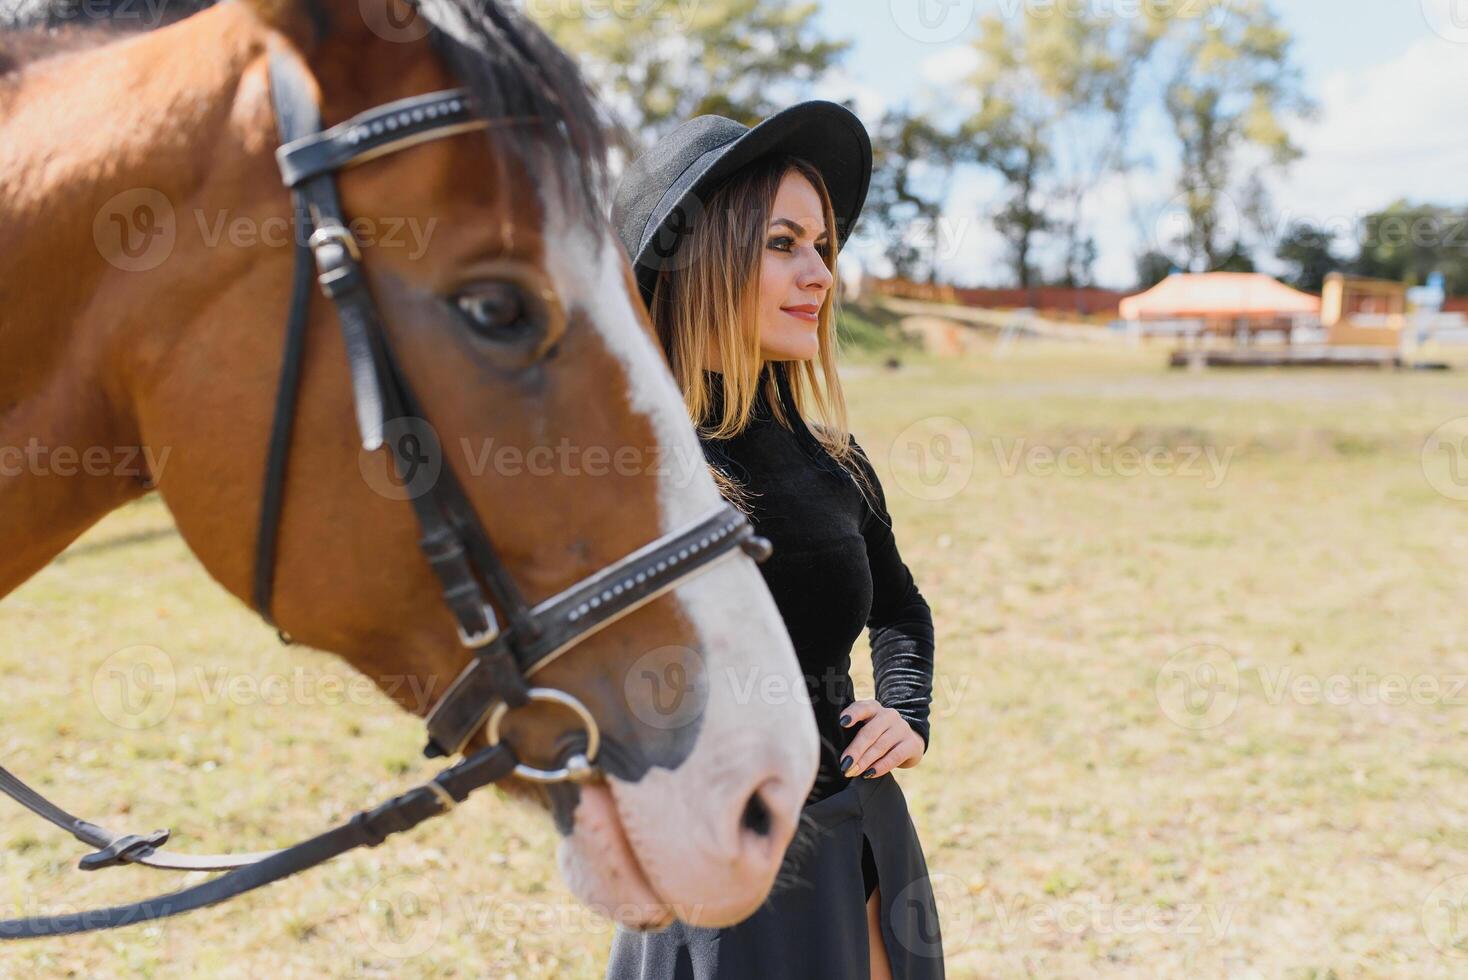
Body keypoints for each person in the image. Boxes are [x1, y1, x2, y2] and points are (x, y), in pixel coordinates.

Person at [605, 102, 945, 979]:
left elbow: (900, 606)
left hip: (864, 837)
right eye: (783, 244)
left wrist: (906, 709)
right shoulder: (634, 469)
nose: (821, 275)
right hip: (727, 872)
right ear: (703, 260)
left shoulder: (831, 456)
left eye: (824, 247)